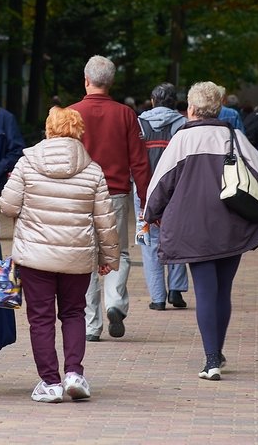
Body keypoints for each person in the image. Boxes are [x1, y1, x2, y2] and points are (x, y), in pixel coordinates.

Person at [145, 81, 258, 381]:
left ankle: (212, 358)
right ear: (218, 107)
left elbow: (159, 186)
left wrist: (149, 215)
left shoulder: (182, 141)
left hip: (193, 229)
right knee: (222, 291)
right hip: (232, 226)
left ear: (190, 109)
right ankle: (217, 350)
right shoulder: (234, 136)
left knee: (204, 292)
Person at [0, 107, 119, 403]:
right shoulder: (92, 170)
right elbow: (106, 219)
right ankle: (74, 374)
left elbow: (9, 207)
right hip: (77, 257)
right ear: (78, 132)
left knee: (41, 319)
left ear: (49, 130)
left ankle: (50, 382)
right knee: (74, 313)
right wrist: (109, 258)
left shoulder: (27, 163)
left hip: (35, 256)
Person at [70, 55, 151, 341]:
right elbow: (139, 161)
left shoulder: (71, 114)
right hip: (115, 192)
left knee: (86, 258)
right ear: (111, 81)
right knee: (119, 253)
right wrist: (146, 198)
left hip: (80, 194)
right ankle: (115, 302)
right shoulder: (126, 114)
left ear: (86, 80)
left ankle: (92, 325)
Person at [135, 83, 190, 310]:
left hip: (145, 190)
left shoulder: (139, 123)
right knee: (176, 236)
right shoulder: (184, 124)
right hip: (175, 189)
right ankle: (176, 290)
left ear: (152, 100)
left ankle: (157, 297)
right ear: (174, 101)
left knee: (148, 242)